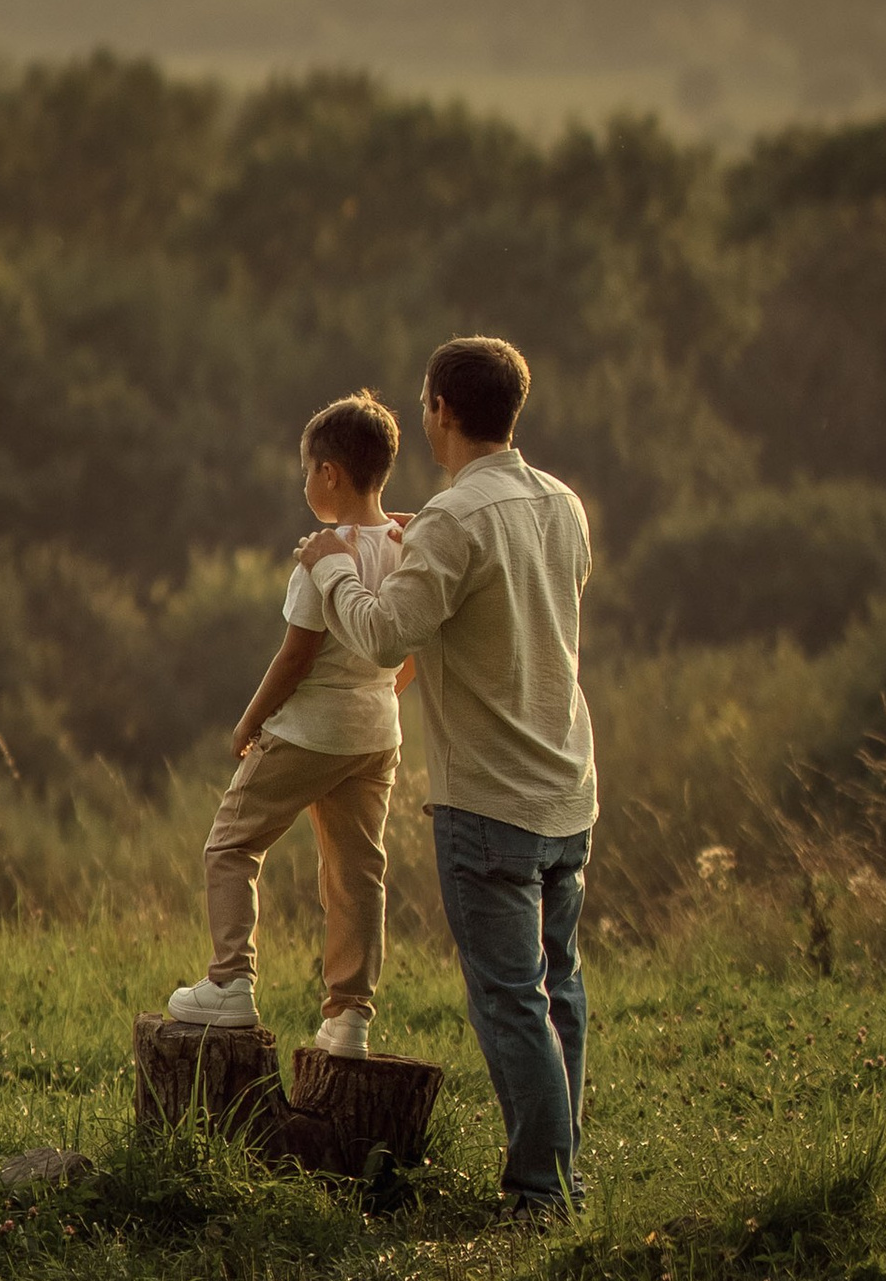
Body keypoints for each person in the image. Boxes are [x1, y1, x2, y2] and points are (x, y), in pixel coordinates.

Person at [298, 333, 595, 1227]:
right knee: (559, 991)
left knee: (510, 1003)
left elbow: (385, 636)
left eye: (425, 402)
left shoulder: (452, 520)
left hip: (489, 797)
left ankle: (539, 1194)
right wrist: (412, 542)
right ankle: (563, 1177)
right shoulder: (562, 504)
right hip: (568, 785)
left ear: (440, 410)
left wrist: (334, 565)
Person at [164, 391, 413, 1060]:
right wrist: (382, 693)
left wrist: (249, 722)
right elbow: (413, 641)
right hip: (376, 736)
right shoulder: (406, 547)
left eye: (307, 470)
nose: (305, 482)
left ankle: (231, 983)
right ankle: (350, 1016)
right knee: (357, 874)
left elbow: (296, 657)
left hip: (309, 733)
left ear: (329, 473)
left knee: (231, 845)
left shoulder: (321, 557)